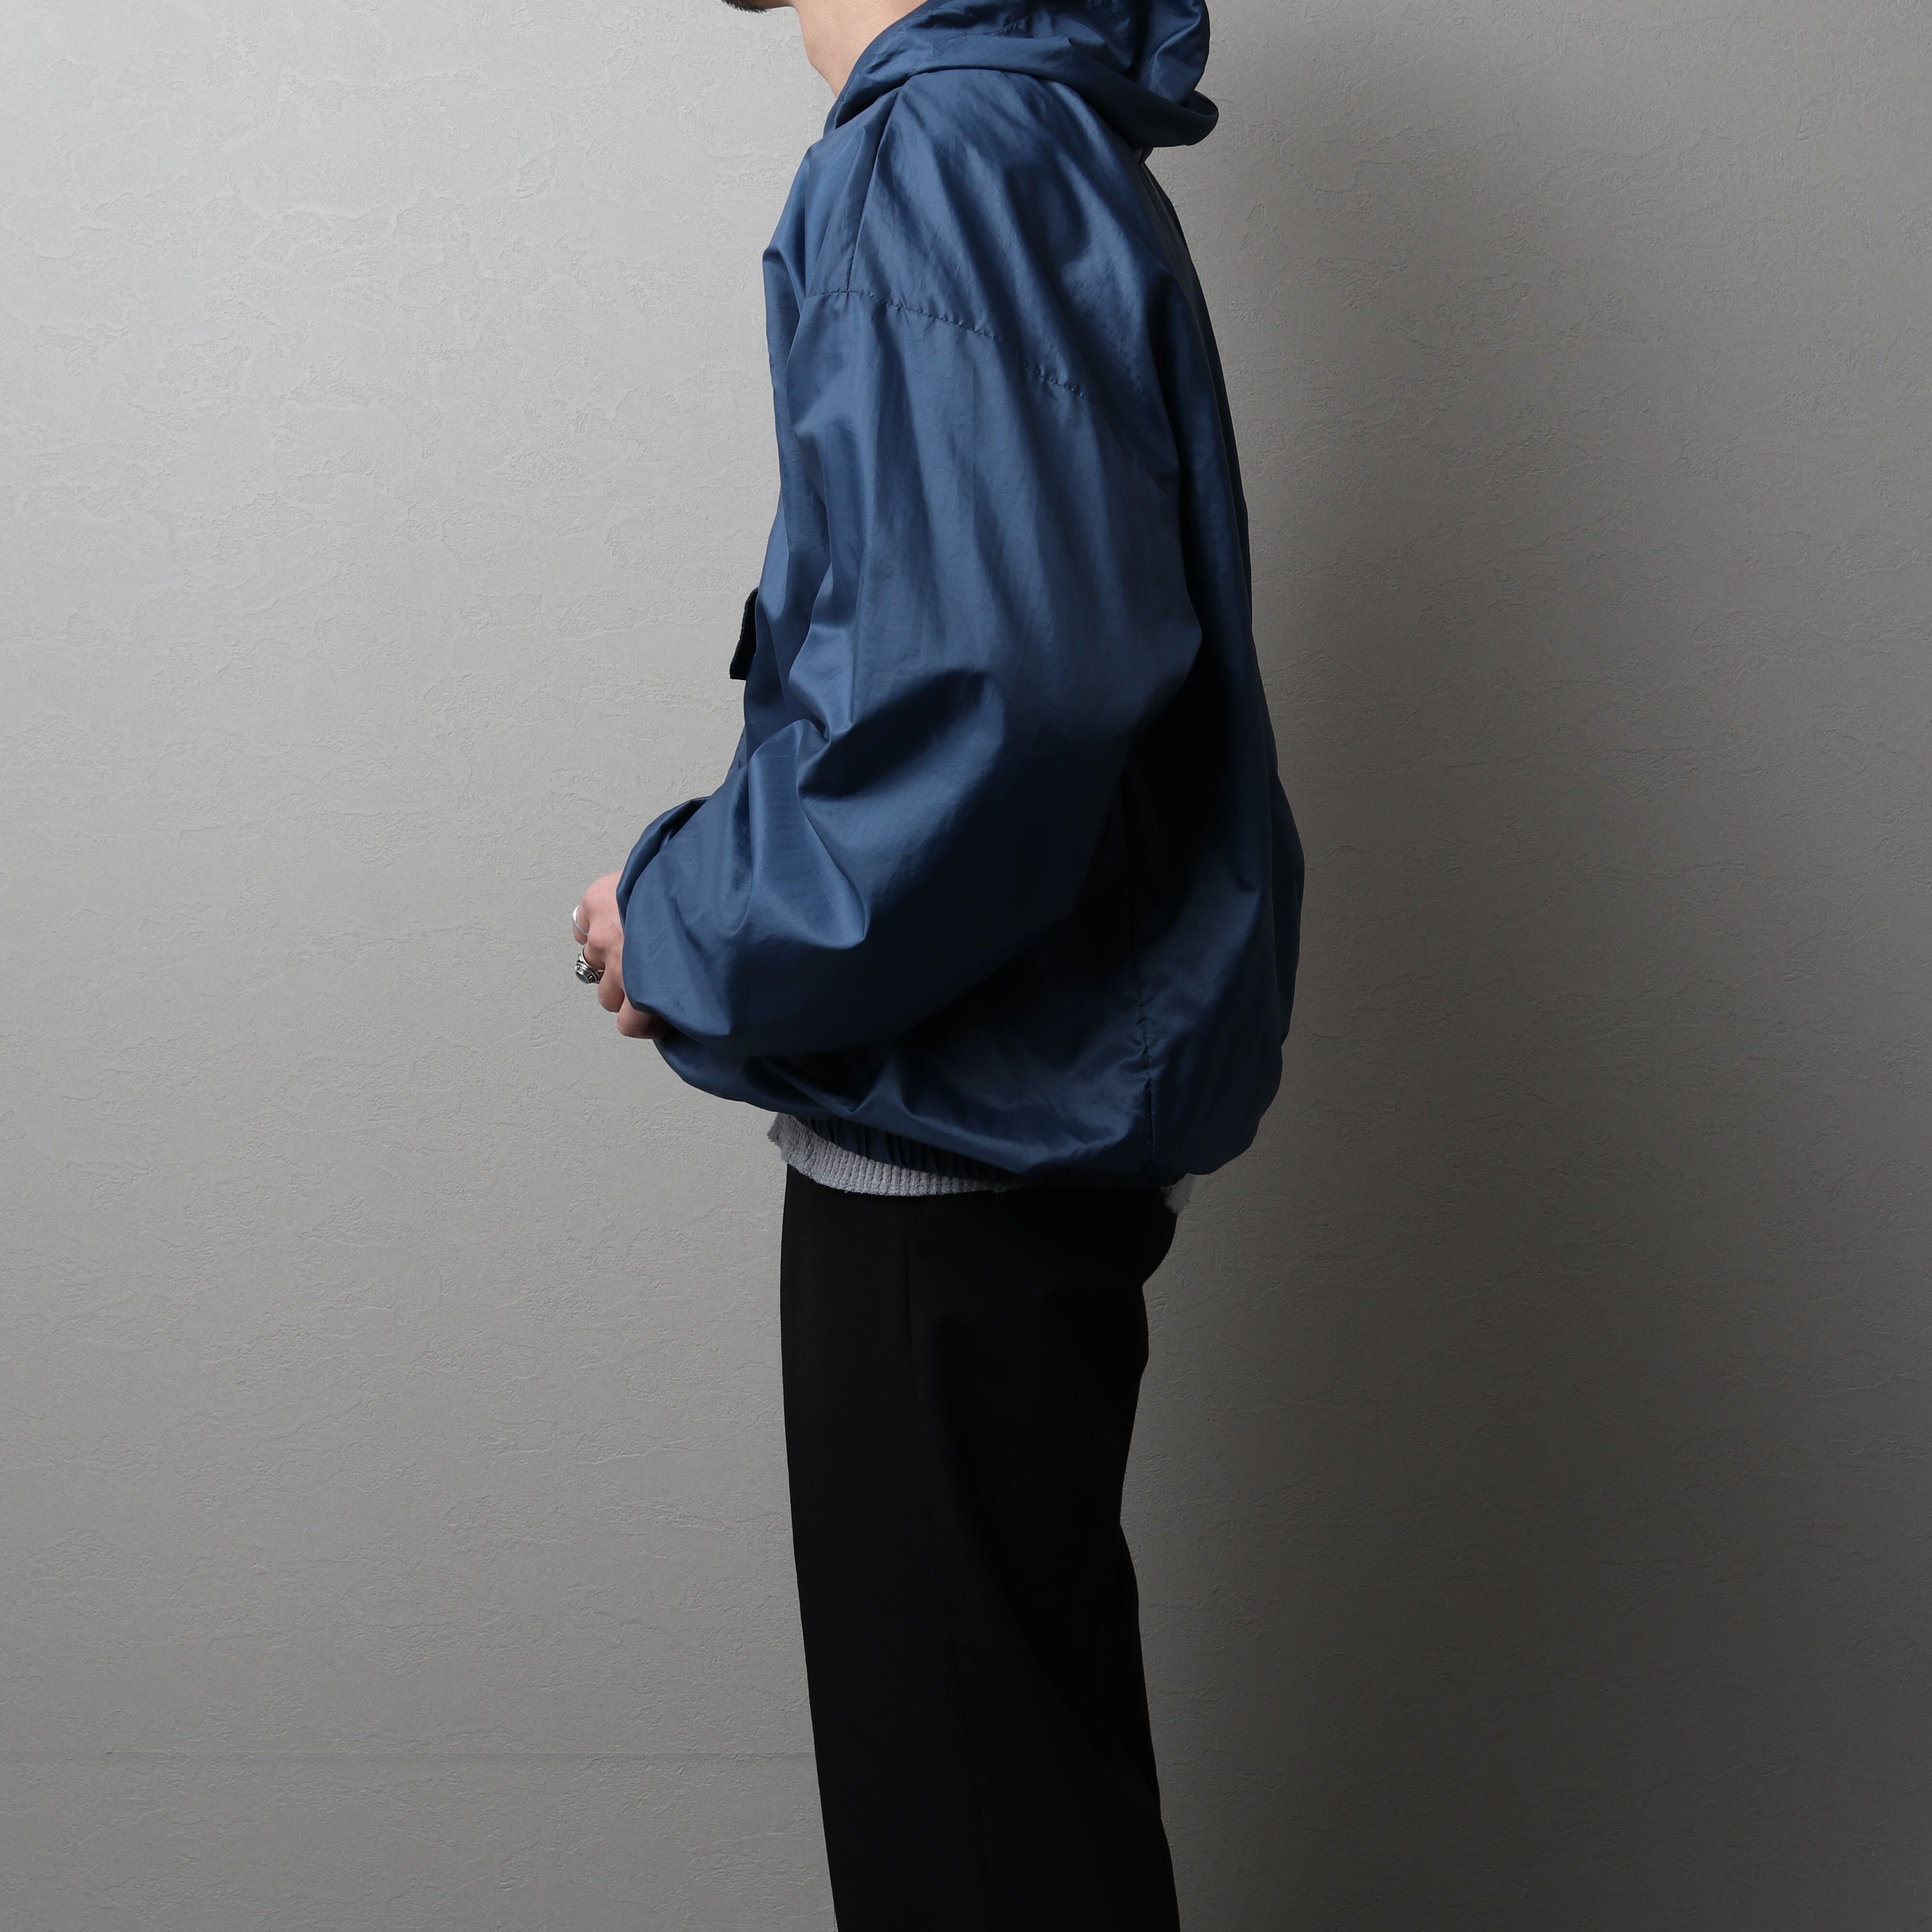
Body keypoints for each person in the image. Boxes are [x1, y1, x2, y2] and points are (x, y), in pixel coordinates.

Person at [571, 0, 1303, 1922]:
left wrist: (678, 919)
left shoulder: (938, 154)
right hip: (1013, 1131)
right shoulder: (1013, 136)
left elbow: (988, 701)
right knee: (1022, 1818)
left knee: (974, 1854)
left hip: (951, 1150)